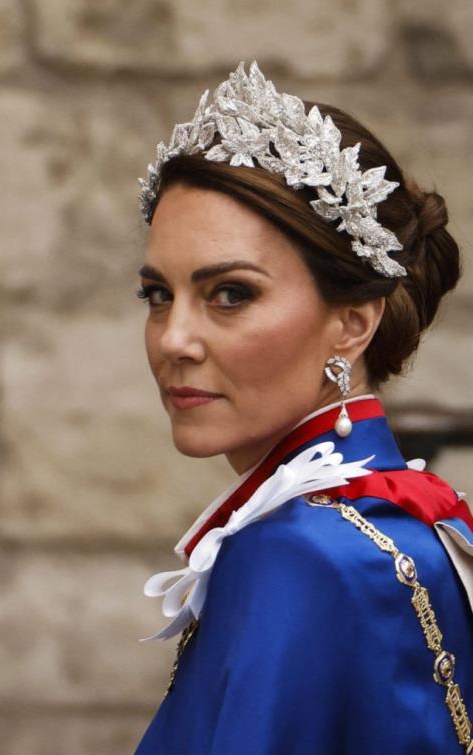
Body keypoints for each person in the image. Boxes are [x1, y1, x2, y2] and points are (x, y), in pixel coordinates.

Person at [133, 61, 473, 754]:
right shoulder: (410, 519)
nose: (174, 339)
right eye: (157, 294)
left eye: (230, 293)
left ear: (353, 322)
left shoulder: (298, 554)